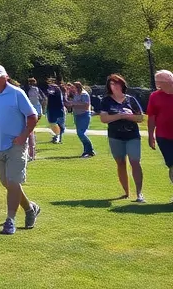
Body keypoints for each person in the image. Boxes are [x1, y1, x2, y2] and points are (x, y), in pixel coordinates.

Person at [0, 64, 40, 235]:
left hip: (16, 145)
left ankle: (10, 220)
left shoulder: (16, 93)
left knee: (13, 182)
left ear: (4, 77)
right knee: (7, 183)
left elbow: (32, 116)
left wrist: (24, 135)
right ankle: (30, 209)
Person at [98, 73, 145, 202]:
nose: (114, 86)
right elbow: (104, 118)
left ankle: (139, 193)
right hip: (115, 136)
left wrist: (128, 116)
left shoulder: (130, 99)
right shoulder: (106, 100)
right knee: (121, 163)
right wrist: (120, 115)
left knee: (135, 162)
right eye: (111, 84)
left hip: (132, 135)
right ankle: (126, 192)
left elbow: (140, 117)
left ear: (122, 84)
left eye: (117, 83)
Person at [147, 69, 173, 194]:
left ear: (168, 81)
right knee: (172, 166)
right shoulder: (155, 96)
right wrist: (150, 135)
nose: (157, 84)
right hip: (163, 136)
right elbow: (151, 117)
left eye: (159, 82)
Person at [68, 81, 94, 157]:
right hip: (77, 115)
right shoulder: (76, 94)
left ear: (77, 87)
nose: (72, 89)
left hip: (84, 115)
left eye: (73, 87)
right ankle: (87, 150)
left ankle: (90, 150)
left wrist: (74, 104)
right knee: (80, 134)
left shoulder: (84, 94)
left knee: (81, 133)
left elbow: (86, 106)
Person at [24, 78, 44, 160]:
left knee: (30, 131)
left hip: (32, 111)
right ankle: (32, 152)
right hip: (36, 110)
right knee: (31, 130)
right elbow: (43, 99)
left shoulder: (28, 90)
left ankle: (31, 152)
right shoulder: (37, 90)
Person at [44, 77, 66, 144]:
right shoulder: (57, 88)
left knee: (55, 123)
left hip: (55, 108)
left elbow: (50, 94)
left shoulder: (54, 88)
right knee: (57, 124)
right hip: (56, 108)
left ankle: (57, 137)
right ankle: (57, 137)